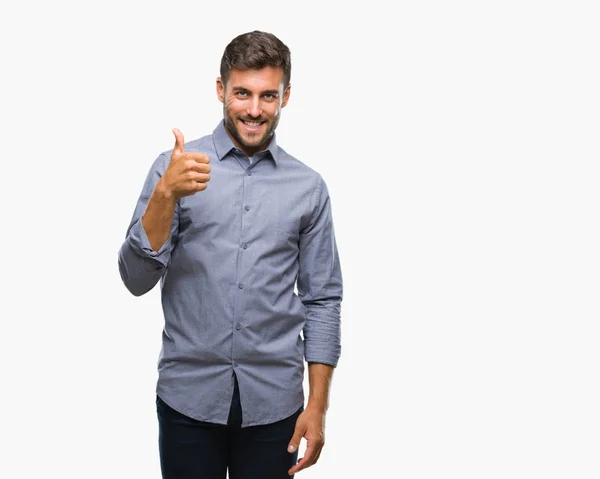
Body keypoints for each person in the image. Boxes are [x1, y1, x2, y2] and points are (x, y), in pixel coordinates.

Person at [118, 30, 343, 479]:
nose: (255, 109)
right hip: (188, 398)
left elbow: (323, 299)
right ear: (221, 90)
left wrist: (317, 407)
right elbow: (135, 280)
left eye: (267, 95)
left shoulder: (309, 187)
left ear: (286, 96)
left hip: (275, 406)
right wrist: (165, 196)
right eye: (242, 93)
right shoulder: (175, 169)